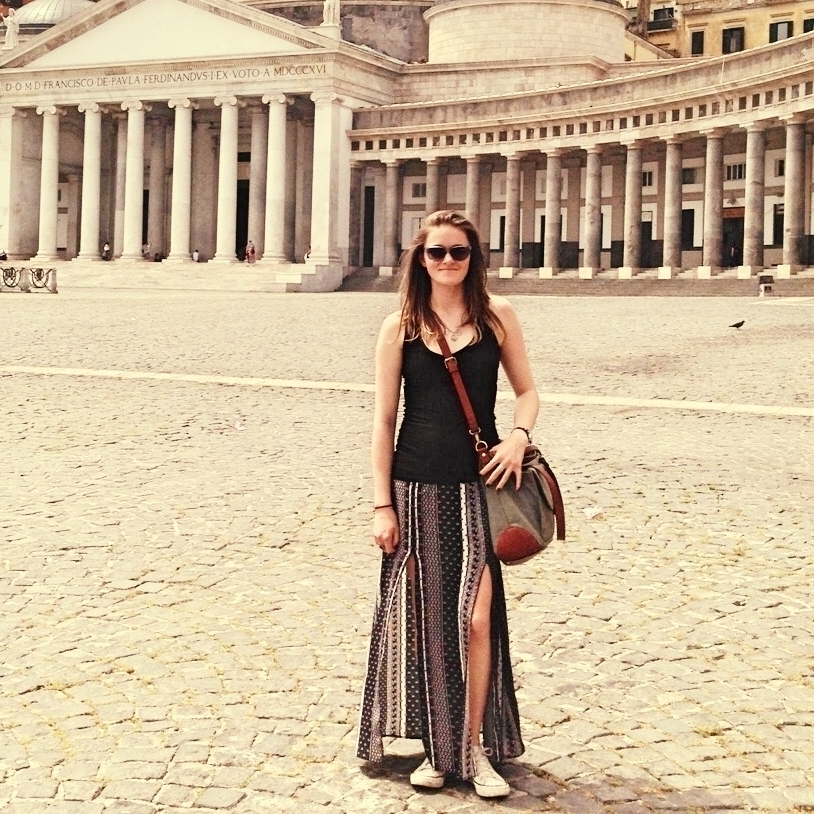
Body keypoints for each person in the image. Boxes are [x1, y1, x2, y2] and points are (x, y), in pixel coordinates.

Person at [357, 210, 539, 798]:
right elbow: (384, 420)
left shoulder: (497, 315)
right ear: (420, 260)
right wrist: (381, 504)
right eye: (436, 252)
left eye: (458, 251)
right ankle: (441, 750)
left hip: (479, 485)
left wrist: (518, 436)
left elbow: (527, 392)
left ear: (473, 257)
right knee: (430, 625)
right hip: (415, 487)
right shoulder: (400, 326)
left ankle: (473, 745)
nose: (447, 262)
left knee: (477, 621)